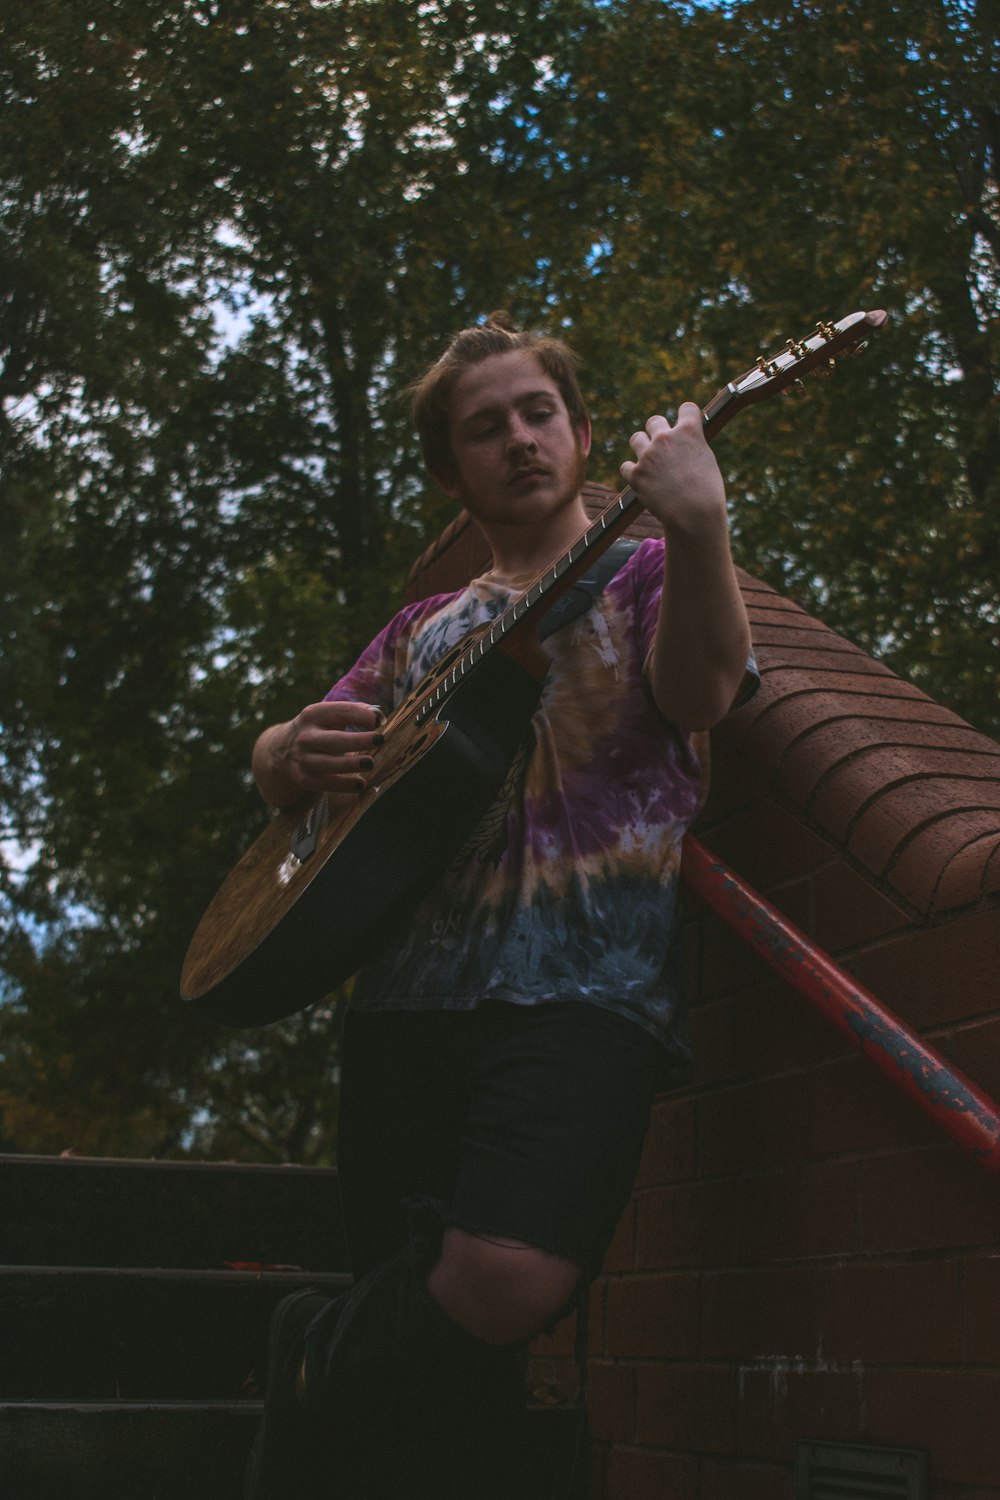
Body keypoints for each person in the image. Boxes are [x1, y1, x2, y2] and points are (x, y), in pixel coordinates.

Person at [244, 313, 755, 1499]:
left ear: (583, 435)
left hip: (584, 994)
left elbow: (702, 692)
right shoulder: (423, 627)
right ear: (450, 473)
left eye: (539, 416)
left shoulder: (645, 571)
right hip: (406, 1001)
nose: (520, 440)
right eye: (486, 428)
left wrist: (702, 520)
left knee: (506, 1282)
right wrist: (276, 746)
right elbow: (298, 764)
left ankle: (305, 1350)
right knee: (445, 1378)